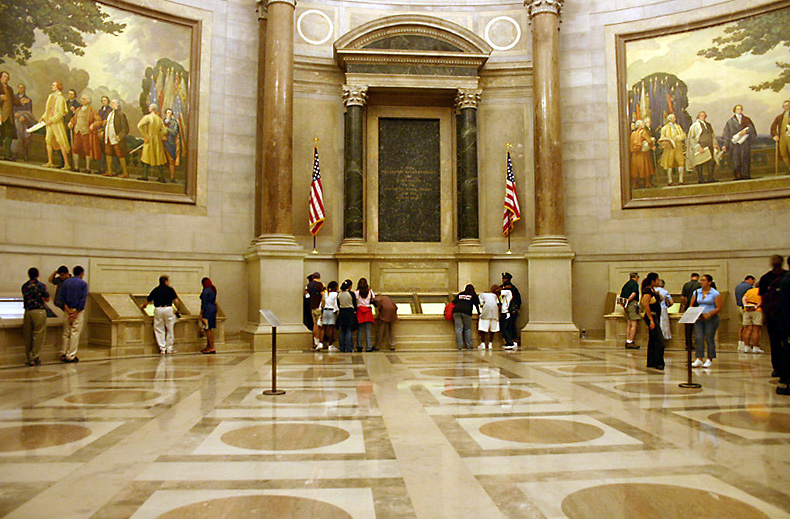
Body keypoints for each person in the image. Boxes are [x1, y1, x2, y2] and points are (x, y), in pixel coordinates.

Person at [758, 255, 787, 377]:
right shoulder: (766, 278)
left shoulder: (786, 277)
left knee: (781, 343)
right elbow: (763, 298)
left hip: (782, 316)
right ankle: (777, 368)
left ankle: (783, 368)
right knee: (775, 343)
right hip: (774, 316)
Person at [141, 275, 180, 354]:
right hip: (168, 309)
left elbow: (147, 300)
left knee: (159, 329)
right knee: (170, 328)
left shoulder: (156, 290)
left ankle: (162, 348)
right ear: (166, 281)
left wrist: (143, 307)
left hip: (158, 309)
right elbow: (176, 301)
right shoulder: (170, 289)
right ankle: (169, 348)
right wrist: (178, 309)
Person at [690, 274, 722, 368]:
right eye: (701, 280)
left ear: (709, 282)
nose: (702, 282)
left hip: (711, 318)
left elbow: (719, 307)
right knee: (699, 338)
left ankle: (710, 358)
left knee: (709, 338)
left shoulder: (715, 293)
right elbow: (691, 304)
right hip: (699, 318)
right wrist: (693, 312)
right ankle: (699, 358)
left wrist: (709, 314)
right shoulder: (697, 292)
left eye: (704, 280)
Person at [21, 267, 50, 366]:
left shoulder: (25, 286)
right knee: (38, 334)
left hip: (28, 311)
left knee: (28, 334)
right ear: (38, 275)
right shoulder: (41, 286)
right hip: (39, 311)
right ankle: (35, 356)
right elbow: (47, 299)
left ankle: (28, 357)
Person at [60, 265, 88, 363]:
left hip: (67, 310)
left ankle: (63, 352)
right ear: (81, 273)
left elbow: (62, 298)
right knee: (75, 332)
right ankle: (71, 355)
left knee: (66, 332)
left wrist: (68, 310)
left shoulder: (65, 283)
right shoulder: (83, 284)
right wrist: (76, 313)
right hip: (77, 311)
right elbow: (83, 300)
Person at [67, 94, 102, 173]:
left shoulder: (92, 110)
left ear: (88, 100)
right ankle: (76, 167)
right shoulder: (79, 109)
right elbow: (74, 118)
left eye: (84, 99)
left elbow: (99, 121)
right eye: (82, 99)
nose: (83, 100)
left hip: (86, 132)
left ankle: (87, 168)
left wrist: (93, 125)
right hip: (77, 131)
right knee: (75, 149)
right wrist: (71, 122)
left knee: (87, 150)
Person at [721, 104, 757, 180]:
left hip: (744, 143)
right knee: (736, 160)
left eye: (740, 109)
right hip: (735, 144)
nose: (739, 110)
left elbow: (752, 129)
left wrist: (746, 131)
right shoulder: (730, 122)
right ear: (734, 111)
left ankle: (746, 174)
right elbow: (726, 133)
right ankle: (737, 175)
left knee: (745, 158)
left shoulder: (747, 119)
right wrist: (725, 144)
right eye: (737, 109)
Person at [40, 81, 71, 169]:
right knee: (48, 140)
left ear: (58, 87)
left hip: (56, 123)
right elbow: (48, 110)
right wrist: (43, 117)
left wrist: (52, 120)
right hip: (50, 122)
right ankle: (50, 161)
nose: (52, 86)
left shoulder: (60, 98)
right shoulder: (51, 96)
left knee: (61, 141)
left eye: (53, 85)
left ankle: (67, 164)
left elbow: (60, 113)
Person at [686, 111, 719, 184]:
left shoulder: (708, 125)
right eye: (701, 115)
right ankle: (701, 179)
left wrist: (714, 143)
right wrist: (698, 147)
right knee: (700, 163)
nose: (703, 117)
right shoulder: (695, 126)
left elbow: (712, 135)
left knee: (711, 162)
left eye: (704, 115)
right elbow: (692, 138)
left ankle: (710, 177)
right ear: (698, 117)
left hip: (709, 146)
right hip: (701, 146)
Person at [137, 103, 168, 181]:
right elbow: (164, 130)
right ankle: (161, 177)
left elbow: (139, 126)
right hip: (157, 140)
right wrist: (159, 135)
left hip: (150, 139)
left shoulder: (147, 117)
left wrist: (146, 135)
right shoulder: (159, 119)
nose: (148, 108)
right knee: (158, 157)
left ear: (151, 109)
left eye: (149, 107)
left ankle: (145, 176)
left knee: (147, 156)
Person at [640, 272, 665, 370]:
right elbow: (646, 305)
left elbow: (660, 299)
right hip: (652, 316)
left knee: (653, 340)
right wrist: (651, 320)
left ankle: (651, 361)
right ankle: (659, 362)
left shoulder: (653, 290)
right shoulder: (647, 290)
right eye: (657, 279)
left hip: (656, 316)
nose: (658, 281)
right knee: (659, 340)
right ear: (652, 281)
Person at [102, 99, 129, 178]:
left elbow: (125, 129)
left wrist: (120, 136)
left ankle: (125, 172)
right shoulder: (110, 113)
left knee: (120, 154)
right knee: (108, 153)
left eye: (113, 103)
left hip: (116, 138)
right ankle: (109, 171)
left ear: (117, 104)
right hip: (109, 137)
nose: (112, 104)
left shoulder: (121, 114)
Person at [659, 114, 686, 186]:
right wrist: (667, 141)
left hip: (678, 147)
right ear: (669, 119)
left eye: (675, 117)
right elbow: (662, 138)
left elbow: (683, 135)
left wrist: (678, 138)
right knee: (669, 164)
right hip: (669, 148)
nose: (675, 118)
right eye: (673, 117)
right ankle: (670, 180)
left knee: (681, 162)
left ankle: (681, 180)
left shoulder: (678, 127)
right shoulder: (664, 128)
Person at [452, 284, 479, 350]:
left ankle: (459, 346)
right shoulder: (473, 295)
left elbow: (454, 302)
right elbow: (477, 304)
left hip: (456, 311)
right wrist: (479, 313)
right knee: (467, 329)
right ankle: (469, 345)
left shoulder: (461, 294)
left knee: (458, 329)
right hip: (466, 312)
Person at [630, 120, 655, 188]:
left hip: (635, 153)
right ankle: (647, 183)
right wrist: (652, 145)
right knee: (646, 168)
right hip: (643, 153)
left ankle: (635, 184)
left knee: (635, 169)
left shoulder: (633, 133)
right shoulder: (644, 132)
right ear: (639, 125)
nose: (643, 124)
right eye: (642, 123)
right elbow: (649, 141)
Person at [13, 83, 34, 161]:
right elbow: (12, 109)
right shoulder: (14, 98)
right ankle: (14, 154)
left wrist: (24, 117)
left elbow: (29, 111)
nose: (21, 89)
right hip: (16, 119)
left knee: (26, 137)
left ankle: (25, 154)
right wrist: (16, 114)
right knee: (17, 135)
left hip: (24, 121)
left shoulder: (28, 100)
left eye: (23, 88)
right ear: (18, 88)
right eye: (20, 88)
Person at [0, 71, 19, 161]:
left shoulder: (10, 89)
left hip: (8, 115)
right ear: (1, 77)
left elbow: (14, 101)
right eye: (4, 76)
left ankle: (7, 154)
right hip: (1, 114)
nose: (6, 78)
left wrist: (21, 102)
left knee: (9, 134)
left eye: (7, 77)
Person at [734, 275, 756, 352]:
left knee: (741, 326)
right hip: (746, 308)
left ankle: (740, 343)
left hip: (738, 307)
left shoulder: (738, 286)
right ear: (750, 279)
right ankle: (746, 344)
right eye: (753, 281)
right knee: (747, 327)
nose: (753, 283)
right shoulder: (749, 288)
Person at [681, 273, 701, 353]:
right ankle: (698, 343)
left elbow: (683, 297)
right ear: (698, 277)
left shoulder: (686, 285)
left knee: (688, 328)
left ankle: (688, 344)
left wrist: (686, 305)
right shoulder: (699, 285)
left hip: (688, 307)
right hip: (697, 307)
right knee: (698, 326)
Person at [619, 272, 640, 349]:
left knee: (629, 323)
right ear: (636, 277)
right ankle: (631, 341)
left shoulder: (626, 284)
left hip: (626, 305)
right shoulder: (635, 284)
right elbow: (634, 294)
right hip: (632, 304)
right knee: (634, 323)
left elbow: (621, 296)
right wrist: (628, 301)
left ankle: (628, 340)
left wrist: (624, 304)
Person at [741, 282, 764, 354]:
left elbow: (744, 298)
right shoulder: (761, 291)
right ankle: (755, 347)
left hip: (747, 310)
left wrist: (746, 305)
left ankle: (746, 346)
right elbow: (762, 301)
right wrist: (756, 306)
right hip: (757, 310)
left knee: (747, 329)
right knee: (756, 330)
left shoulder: (749, 291)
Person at [500, 272, 521, 347]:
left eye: (504, 278)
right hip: (506, 309)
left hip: (511, 310)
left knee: (511, 326)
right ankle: (510, 340)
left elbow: (518, 300)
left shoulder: (512, 288)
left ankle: (513, 340)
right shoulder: (502, 287)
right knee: (508, 326)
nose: (503, 280)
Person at [769, 99, 790, 174]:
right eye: (784, 106)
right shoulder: (779, 117)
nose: (785, 107)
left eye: (787, 105)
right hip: (782, 138)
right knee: (783, 154)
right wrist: (775, 135)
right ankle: (789, 168)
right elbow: (773, 127)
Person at [355, 278, 376, 352]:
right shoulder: (370, 292)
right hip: (368, 312)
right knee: (367, 330)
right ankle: (368, 346)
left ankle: (359, 345)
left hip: (360, 311)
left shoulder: (357, 292)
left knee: (360, 330)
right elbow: (374, 299)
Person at [336, 279, 357, 353]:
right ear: (350, 286)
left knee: (342, 331)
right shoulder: (351, 294)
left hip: (342, 312)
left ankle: (342, 347)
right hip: (350, 313)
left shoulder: (339, 294)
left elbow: (338, 303)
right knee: (349, 331)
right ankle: (349, 348)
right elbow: (354, 304)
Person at [477, 284, 500, 350]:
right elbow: (497, 304)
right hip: (494, 313)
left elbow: (481, 304)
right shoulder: (495, 296)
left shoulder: (482, 294)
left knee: (483, 328)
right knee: (493, 328)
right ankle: (490, 343)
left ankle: (483, 343)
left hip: (486, 312)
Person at [199, 277, 217, 354]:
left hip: (208, 310)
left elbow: (204, 303)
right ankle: (208, 346)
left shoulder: (206, 291)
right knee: (209, 328)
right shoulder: (213, 290)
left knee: (208, 329)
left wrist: (201, 313)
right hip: (213, 309)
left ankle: (211, 347)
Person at [307, 272, 324, 350]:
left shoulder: (309, 285)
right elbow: (323, 294)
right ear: (319, 277)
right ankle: (318, 342)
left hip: (312, 306)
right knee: (319, 325)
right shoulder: (319, 285)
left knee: (315, 324)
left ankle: (315, 341)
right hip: (318, 306)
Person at [321, 281, 339, 351]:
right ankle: (330, 344)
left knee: (324, 327)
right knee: (331, 328)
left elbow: (323, 303)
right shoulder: (335, 294)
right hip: (332, 311)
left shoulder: (326, 294)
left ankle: (321, 342)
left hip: (325, 310)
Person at [163, 108, 180, 182]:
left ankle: (172, 177)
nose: (168, 114)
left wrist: (167, 129)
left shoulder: (174, 123)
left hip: (170, 143)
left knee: (171, 160)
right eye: (167, 113)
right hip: (162, 142)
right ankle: (161, 176)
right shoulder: (162, 121)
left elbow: (174, 133)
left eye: (170, 113)